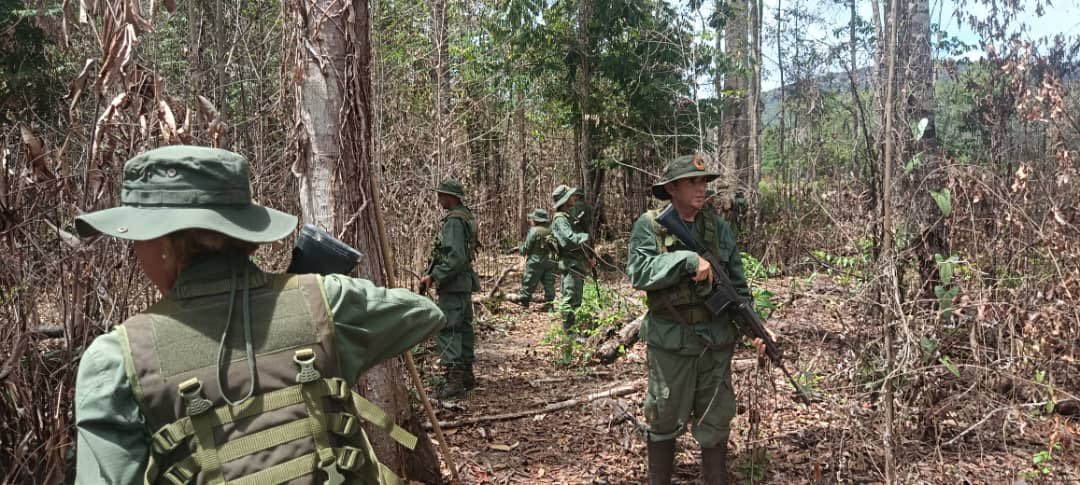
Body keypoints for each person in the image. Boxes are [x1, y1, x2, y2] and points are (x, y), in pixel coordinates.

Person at [73, 145, 445, 484]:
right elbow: (423, 312)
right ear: (244, 231)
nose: (135, 252)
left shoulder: (116, 360)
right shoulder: (325, 302)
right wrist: (305, 295)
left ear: (165, 244)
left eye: (137, 239)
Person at [626, 154, 766, 485]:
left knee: (716, 418)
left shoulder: (718, 229)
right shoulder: (651, 226)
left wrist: (757, 329)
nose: (701, 188)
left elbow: (738, 288)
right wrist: (686, 261)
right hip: (671, 339)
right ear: (672, 188)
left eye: (703, 181)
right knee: (663, 416)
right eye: (692, 182)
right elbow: (639, 272)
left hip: (716, 340)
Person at [419, 179, 480, 399]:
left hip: (453, 285)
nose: (439, 199)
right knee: (463, 328)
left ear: (452, 197)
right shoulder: (465, 216)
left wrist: (434, 276)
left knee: (450, 329)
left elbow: (455, 258)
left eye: (442, 195)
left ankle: (454, 382)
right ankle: (466, 376)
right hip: (463, 283)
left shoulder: (454, 221)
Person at [550, 185, 591, 334]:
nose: (574, 198)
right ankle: (569, 335)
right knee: (569, 299)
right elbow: (568, 240)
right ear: (565, 200)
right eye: (571, 196)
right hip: (569, 263)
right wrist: (584, 237)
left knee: (576, 299)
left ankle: (573, 331)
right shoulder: (560, 219)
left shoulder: (567, 216)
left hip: (575, 263)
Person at [516, 208, 557, 311]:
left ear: (536, 220)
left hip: (535, 262)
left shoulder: (534, 231)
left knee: (528, 282)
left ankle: (524, 304)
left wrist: (520, 248)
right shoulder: (551, 229)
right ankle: (550, 305)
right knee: (549, 284)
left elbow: (526, 248)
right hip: (550, 261)